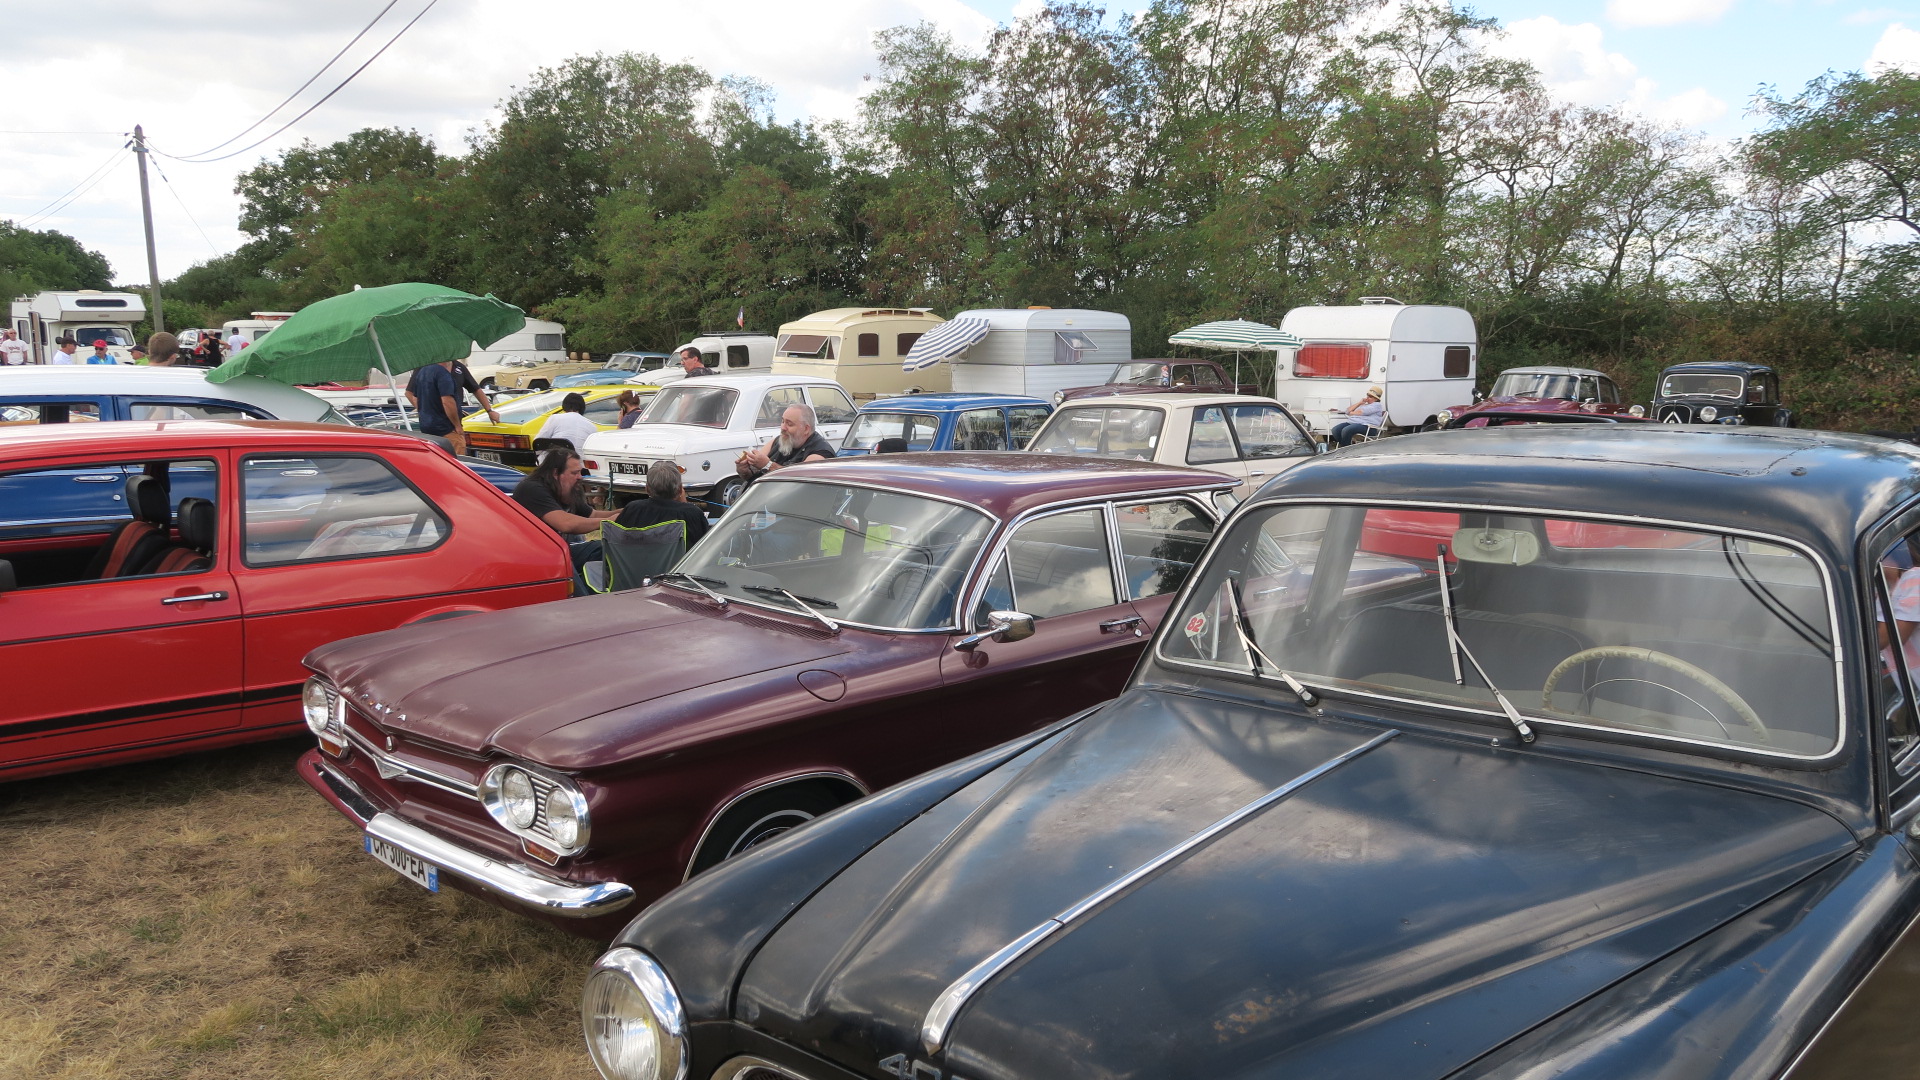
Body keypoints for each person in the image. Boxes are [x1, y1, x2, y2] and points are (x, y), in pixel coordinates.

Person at [512, 447, 617, 595]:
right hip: (535, 559)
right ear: (555, 473)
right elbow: (565, 523)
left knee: (603, 548)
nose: (580, 477)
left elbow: (592, 515)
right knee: (570, 576)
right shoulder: (532, 489)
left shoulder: (567, 490)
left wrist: (626, 512)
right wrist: (608, 522)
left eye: (580, 472)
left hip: (559, 552)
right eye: (574, 473)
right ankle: (584, 602)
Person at [614, 459, 709, 548]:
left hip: (636, 560)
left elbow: (617, 543)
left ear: (647, 489)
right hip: (680, 561)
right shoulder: (692, 514)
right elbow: (703, 548)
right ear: (680, 489)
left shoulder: (633, 510)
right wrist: (685, 504)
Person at [737, 403, 836, 479]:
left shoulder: (821, 453)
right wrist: (745, 470)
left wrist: (768, 465)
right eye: (782, 421)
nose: (783, 427)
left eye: (789, 424)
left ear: (806, 429)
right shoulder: (779, 441)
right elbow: (754, 474)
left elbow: (798, 479)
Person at [407, 357, 499, 427]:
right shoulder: (424, 367)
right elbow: (409, 393)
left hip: (453, 423)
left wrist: (489, 410)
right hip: (434, 425)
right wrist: (425, 412)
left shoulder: (459, 367)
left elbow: (476, 389)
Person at [410, 358, 466, 454]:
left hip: (427, 429)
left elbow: (415, 398)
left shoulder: (422, 372)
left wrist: (425, 414)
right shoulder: (443, 374)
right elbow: (447, 402)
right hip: (446, 429)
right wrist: (457, 426)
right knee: (456, 459)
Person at [535, 392, 600, 454]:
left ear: (564, 406)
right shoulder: (592, 427)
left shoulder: (555, 418)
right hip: (579, 460)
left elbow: (538, 442)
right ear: (583, 408)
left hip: (555, 459)